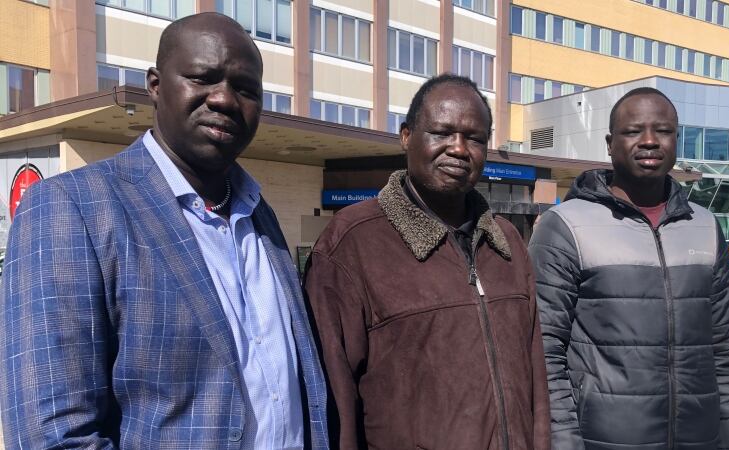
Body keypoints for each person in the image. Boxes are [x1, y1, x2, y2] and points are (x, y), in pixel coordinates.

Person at [0, 13, 328, 449]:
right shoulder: (70, 208)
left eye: (246, 89)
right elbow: (54, 434)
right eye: (202, 78)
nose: (226, 100)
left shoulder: (258, 214)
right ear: (155, 85)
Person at [304, 74, 551, 450]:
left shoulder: (508, 242)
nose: (459, 148)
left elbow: (536, 383)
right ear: (406, 136)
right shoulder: (352, 243)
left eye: (475, 138)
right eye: (442, 133)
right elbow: (334, 401)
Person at [529, 87, 729, 450]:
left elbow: (726, 351)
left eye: (663, 131)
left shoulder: (705, 226)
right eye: (633, 131)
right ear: (609, 143)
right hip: (602, 440)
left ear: (676, 140)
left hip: (700, 439)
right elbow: (544, 353)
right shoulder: (565, 226)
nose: (649, 141)